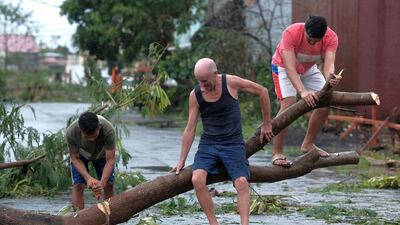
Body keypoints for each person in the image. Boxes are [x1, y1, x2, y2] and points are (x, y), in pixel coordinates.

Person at [173, 58, 274, 225]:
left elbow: (262, 91)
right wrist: (181, 161)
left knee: (241, 182)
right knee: (197, 179)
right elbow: (190, 129)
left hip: (232, 144)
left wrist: (267, 122)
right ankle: (214, 223)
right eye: (199, 81)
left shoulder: (231, 83)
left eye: (205, 81)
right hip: (208, 144)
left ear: (215, 73)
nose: (202, 85)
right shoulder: (195, 95)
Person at [270, 15, 341, 167]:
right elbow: (289, 67)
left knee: (325, 101)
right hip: (283, 67)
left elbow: (329, 64)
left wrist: (331, 79)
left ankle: (307, 144)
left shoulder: (331, 37)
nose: (313, 43)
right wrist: (302, 92)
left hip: (308, 69)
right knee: (288, 104)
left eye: (317, 41)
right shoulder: (291, 33)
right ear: (304, 30)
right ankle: (277, 152)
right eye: (310, 40)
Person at [66, 112, 116, 210]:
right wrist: (88, 178)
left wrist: (102, 183)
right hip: (81, 155)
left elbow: (110, 160)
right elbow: (75, 158)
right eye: (87, 137)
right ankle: (78, 217)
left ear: (99, 127)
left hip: (102, 154)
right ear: (80, 130)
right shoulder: (71, 132)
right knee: (78, 185)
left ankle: (109, 216)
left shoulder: (108, 129)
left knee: (108, 185)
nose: (92, 139)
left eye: (94, 135)